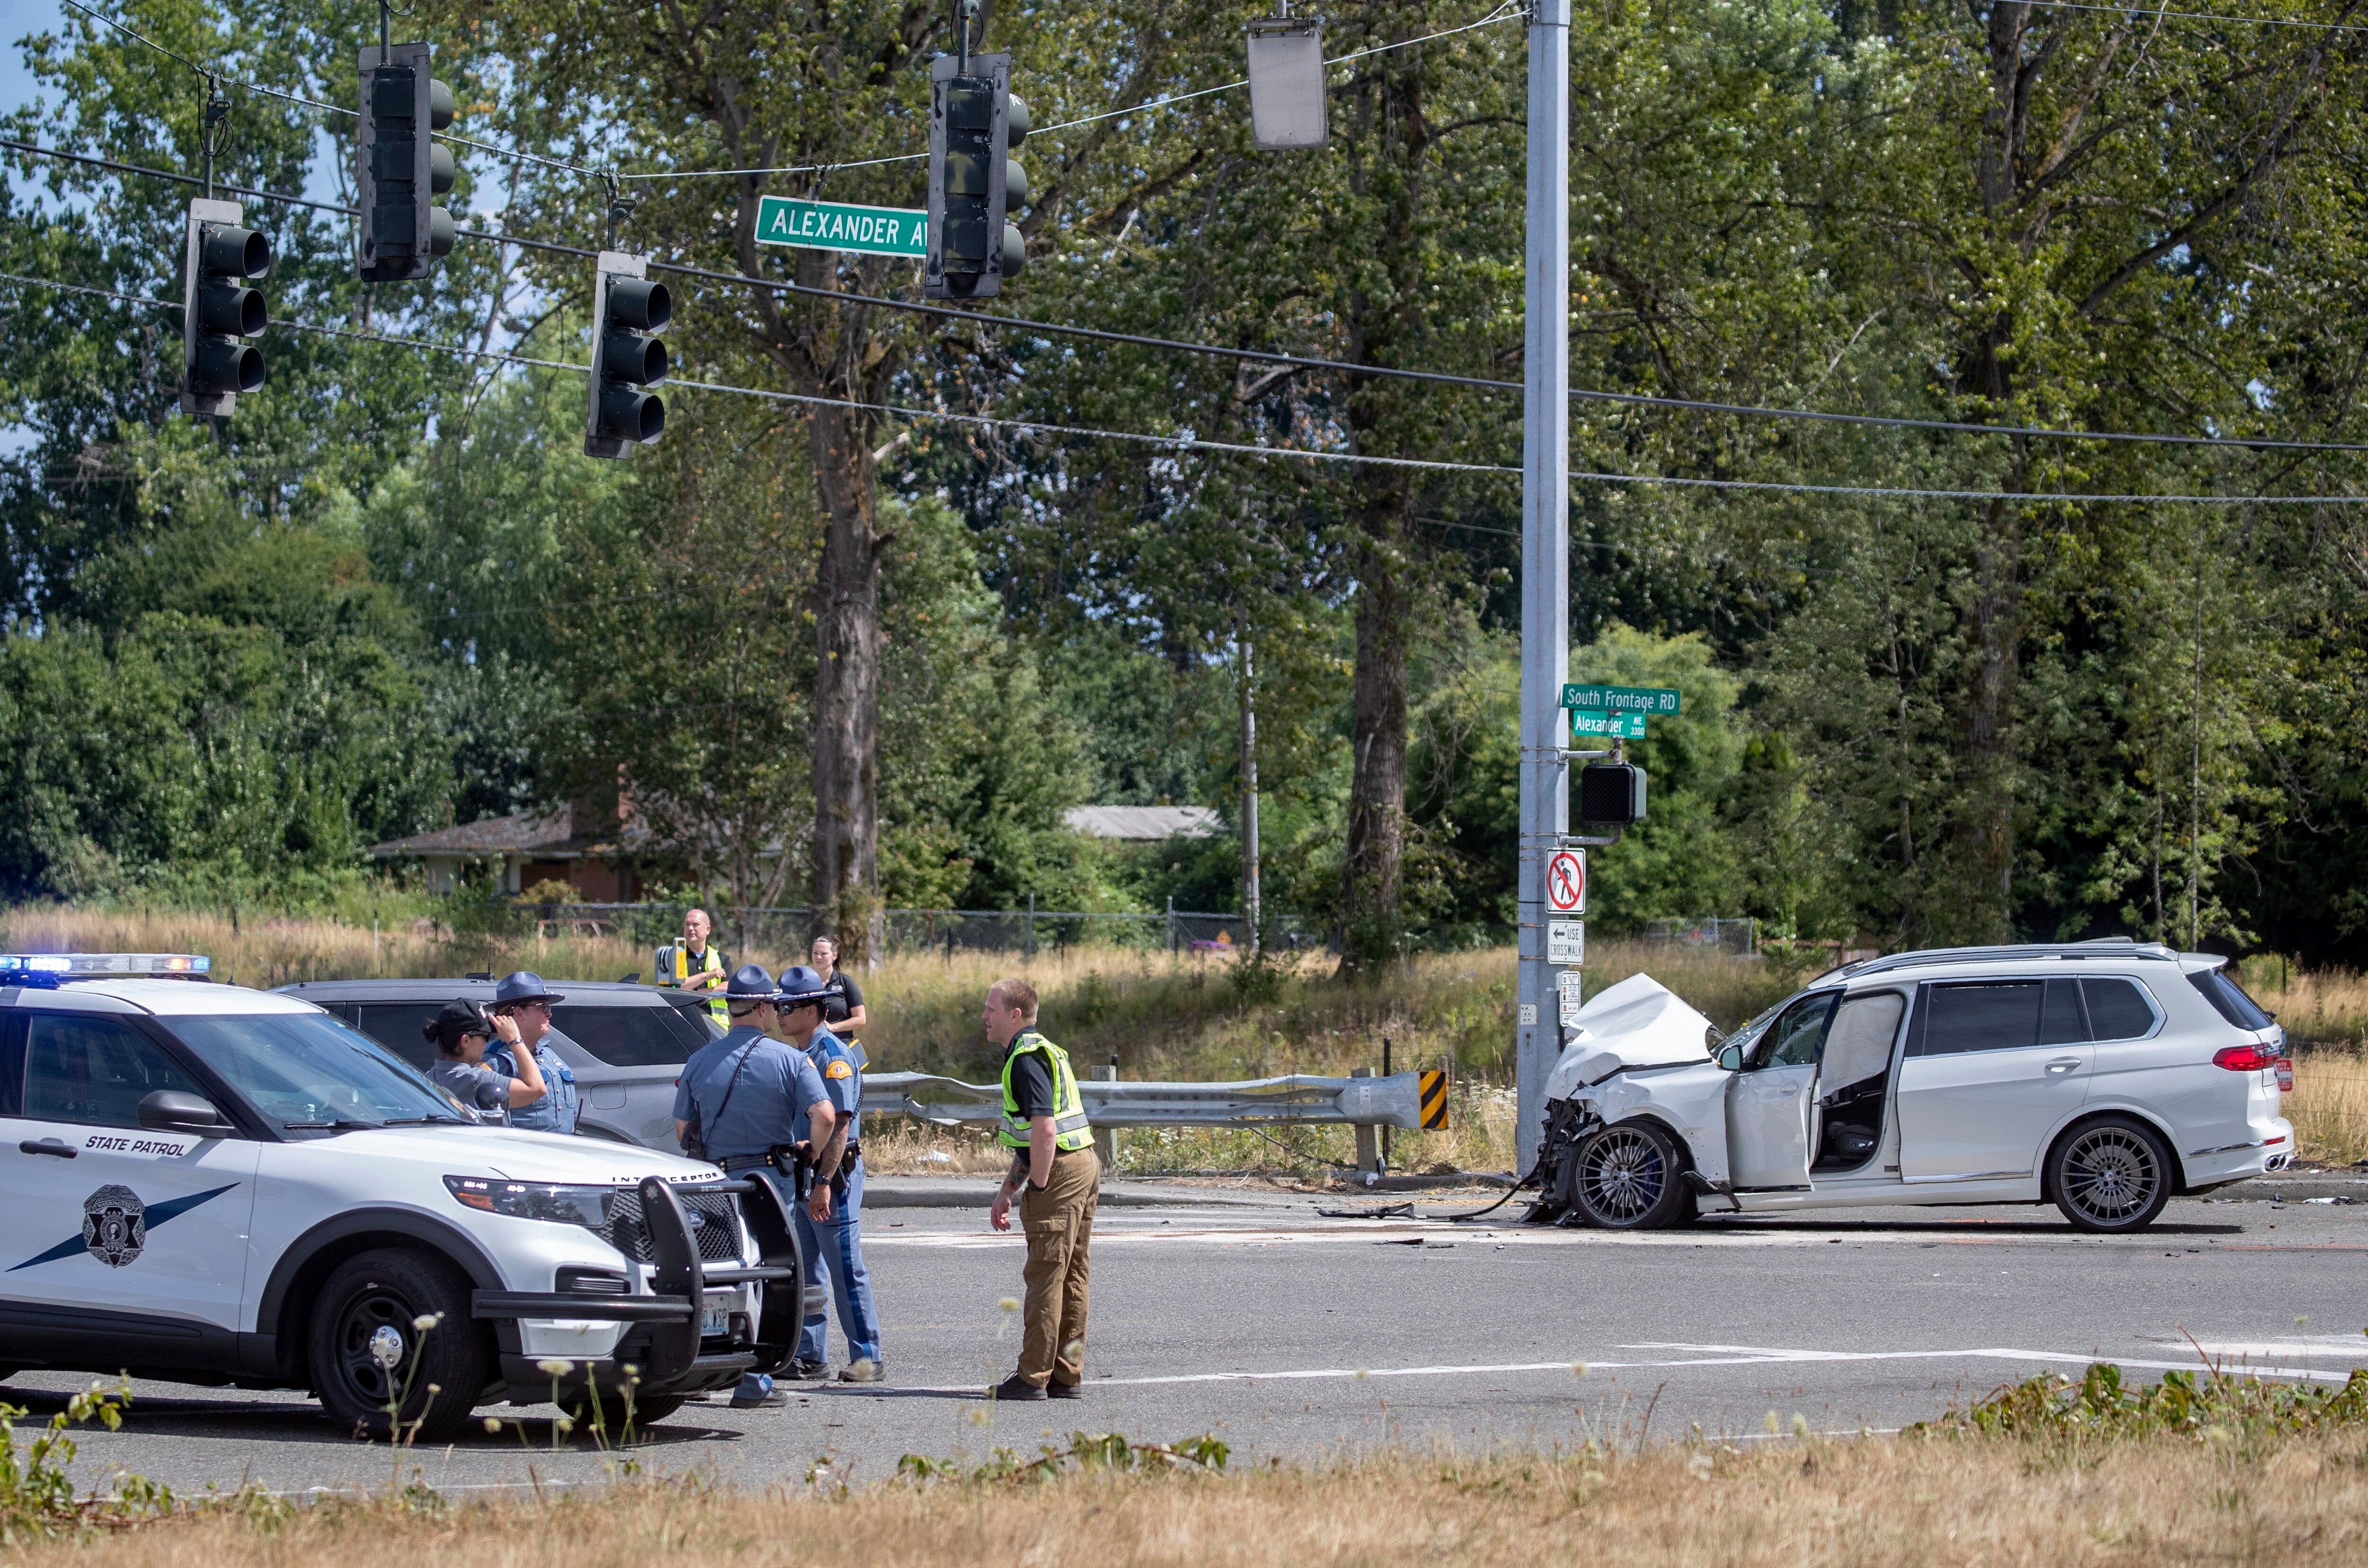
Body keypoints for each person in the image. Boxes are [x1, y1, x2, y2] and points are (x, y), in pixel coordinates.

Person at [673, 963, 837, 1409]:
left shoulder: (698, 1060)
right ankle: (755, 1382)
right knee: (766, 1278)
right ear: (764, 1007)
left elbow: (682, 1129)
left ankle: (701, 1369)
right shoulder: (788, 1059)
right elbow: (824, 1116)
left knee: (714, 1276)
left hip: (714, 1185)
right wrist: (811, 1152)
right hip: (769, 1185)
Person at [984, 977, 1098, 1401]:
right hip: (1082, 1162)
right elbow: (1033, 1139)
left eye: (991, 1009)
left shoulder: (1025, 1059)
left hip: (1061, 1170)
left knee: (1046, 1275)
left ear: (1015, 1015)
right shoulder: (1046, 1050)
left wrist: (1041, 1185)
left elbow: (1044, 1130)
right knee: (1072, 1274)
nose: (984, 1017)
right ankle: (1066, 1373)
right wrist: (1007, 1190)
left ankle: (1033, 1376)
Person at [773, 965, 882, 1383]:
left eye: (789, 1006)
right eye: (779, 1005)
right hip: (806, 1175)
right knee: (806, 1270)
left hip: (831, 1176)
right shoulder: (800, 1055)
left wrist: (822, 1184)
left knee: (845, 1268)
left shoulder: (833, 1058)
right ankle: (809, 1354)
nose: (780, 1013)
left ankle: (867, 1357)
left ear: (814, 1009)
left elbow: (839, 1127)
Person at [484, 972, 581, 1135]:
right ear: (519, 1014)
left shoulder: (551, 1058)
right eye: (542, 1007)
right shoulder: (495, 1061)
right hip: (525, 1154)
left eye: (548, 1008)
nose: (549, 1013)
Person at [422, 999, 547, 1125]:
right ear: (466, 1041)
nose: (487, 1042)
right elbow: (536, 1088)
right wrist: (515, 1040)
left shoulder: (427, 1078)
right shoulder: (477, 1080)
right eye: (485, 1036)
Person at [808, 935, 867, 1065]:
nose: (818, 957)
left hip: (843, 1049)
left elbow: (861, 1019)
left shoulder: (845, 982)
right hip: (813, 1050)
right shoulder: (806, 983)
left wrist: (833, 1028)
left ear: (834, 956)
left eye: (824, 954)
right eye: (815, 953)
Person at [669, 908, 730, 1026]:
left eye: (695, 924)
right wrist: (706, 975)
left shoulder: (721, 958)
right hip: (686, 1025)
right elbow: (677, 988)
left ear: (708, 929)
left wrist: (697, 992)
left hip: (718, 1028)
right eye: (687, 924)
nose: (690, 928)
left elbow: (729, 988)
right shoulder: (674, 957)